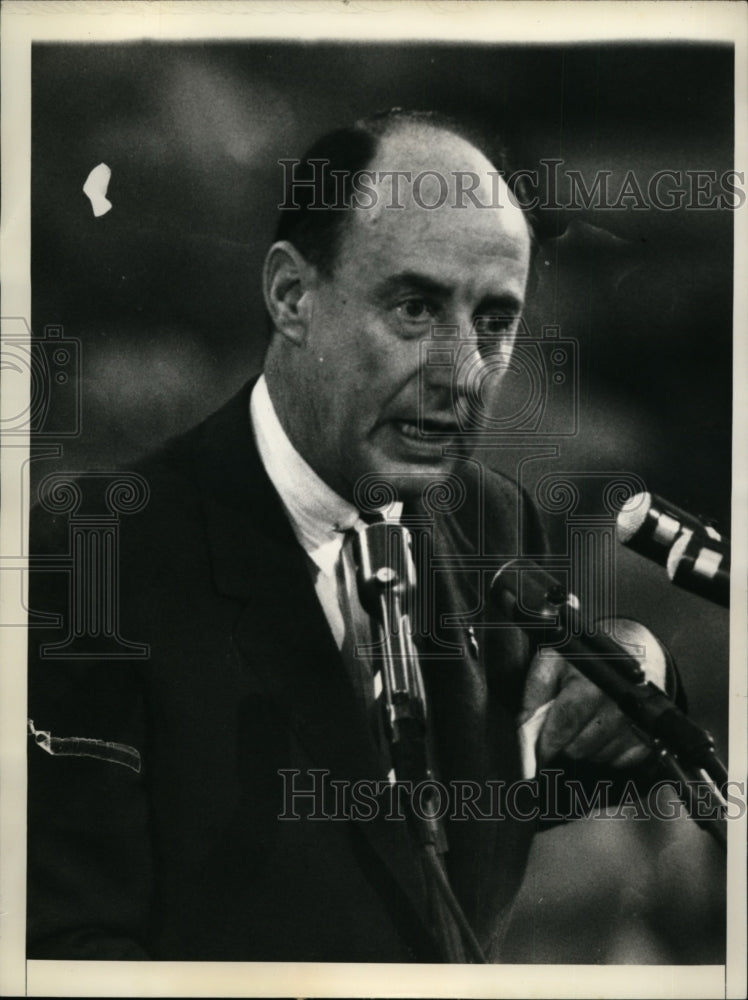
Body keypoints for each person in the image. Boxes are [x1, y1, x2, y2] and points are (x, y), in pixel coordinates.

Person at [26, 109, 667, 963]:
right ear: (291, 297)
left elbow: (543, 783)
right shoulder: (97, 554)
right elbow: (65, 946)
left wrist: (639, 670)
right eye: (415, 308)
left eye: (493, 322)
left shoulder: (497, 523)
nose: (461, 374)